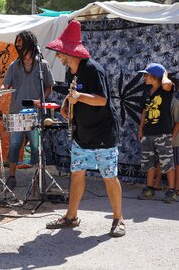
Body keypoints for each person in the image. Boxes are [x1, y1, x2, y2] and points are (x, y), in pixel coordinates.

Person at [44, 20, 125, 237]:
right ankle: (71, 217)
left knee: (109, 177)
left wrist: (78, 97)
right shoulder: (71, 72)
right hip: (82, 134)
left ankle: (118, 219)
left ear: (71, 52)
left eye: (61, 52)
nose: (58, 56)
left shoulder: (93, 69)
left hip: (103, 135)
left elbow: (101, 101)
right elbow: (72, 96)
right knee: (77, 174)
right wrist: (66, 107)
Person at [1, 30, 54, 190]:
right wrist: (2, 89)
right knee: (14, 145)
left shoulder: (42, 65)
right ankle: (11, 176)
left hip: (35, 113)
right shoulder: (13, 65)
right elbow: (6, 84)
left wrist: (41, 101)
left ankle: (39, 177)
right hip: (16, 112)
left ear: (29, 43)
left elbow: (49, 87)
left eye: (20, 42)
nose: (17, 45)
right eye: (16, 42)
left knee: (37, 147)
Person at [137, 63, 177, 203]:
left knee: (167, 163)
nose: (144, 77)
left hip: (162, 133)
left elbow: (167, 83)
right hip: (148, 133)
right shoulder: (147, 92)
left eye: (147, 74)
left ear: (155, 76)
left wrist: (164, 74)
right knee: (149, 163)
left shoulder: (166, 90)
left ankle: (172, 191)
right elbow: (144, 111)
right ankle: (149, 189)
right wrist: (141, 129)